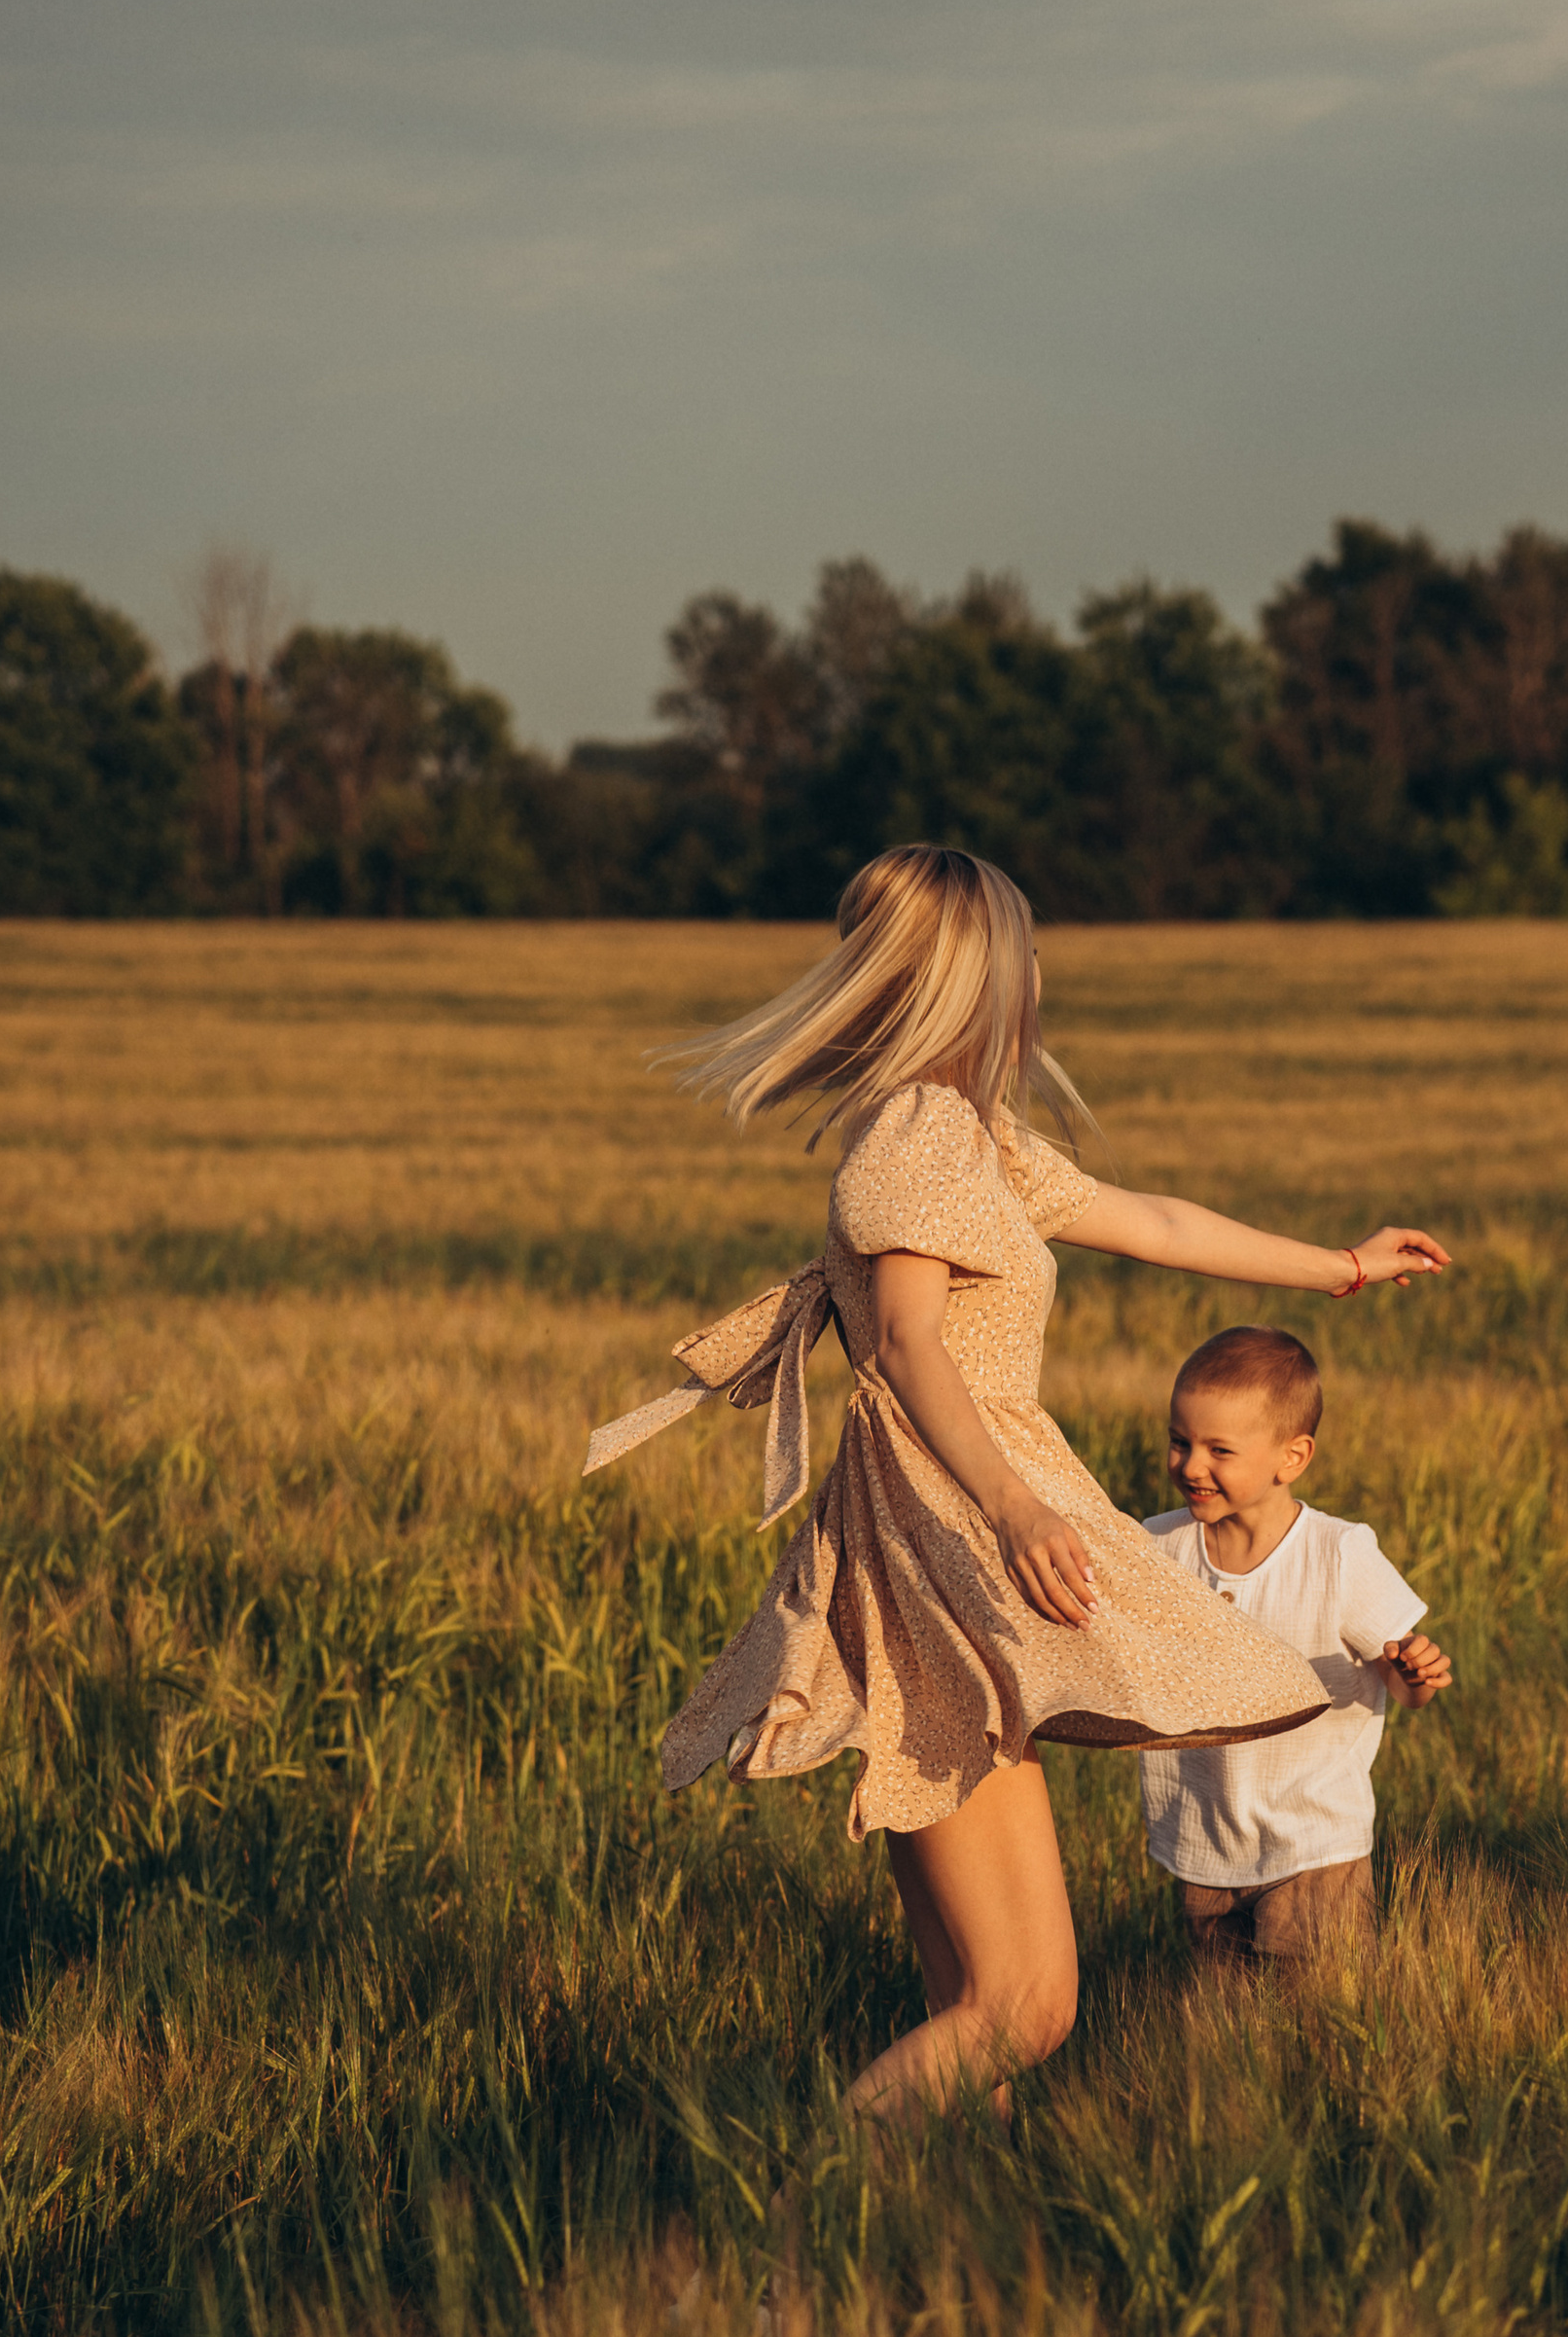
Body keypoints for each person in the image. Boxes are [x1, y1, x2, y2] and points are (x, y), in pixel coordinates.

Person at [584, 845, 1451, 2123]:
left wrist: (1342, 1268)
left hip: (941, 1568)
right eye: (1025, 949)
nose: (1042, 971)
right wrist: (1019, 1504)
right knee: (1028, 2010)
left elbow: (1150, 1220)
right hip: (941, 1569)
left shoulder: (972, 1138)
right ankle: (799, 2239)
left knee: (975, 2017)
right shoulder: (922, 1137)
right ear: (974, 977)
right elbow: (915, 1345)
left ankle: (934, 2286)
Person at [1138, 1325, 1451, 1970]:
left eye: (1219, 1450)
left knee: (1316, 2014)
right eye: (1179, 1441)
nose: (1192, 1465)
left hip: (1313, 1841)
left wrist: (1412, 1671)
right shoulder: (1158, 1548)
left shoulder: (1338, 1555)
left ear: (1292, 1457)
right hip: (1203, 1837)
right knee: (1227, 2027)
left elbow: (1405, 1688)